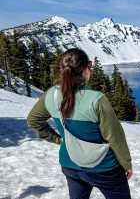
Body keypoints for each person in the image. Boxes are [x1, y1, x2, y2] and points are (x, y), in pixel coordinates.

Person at [27, 48, 132, 199]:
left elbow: (33, 120)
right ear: (84, 70)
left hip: (70, 165)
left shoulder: (51, 94)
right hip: (104, 168)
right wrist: (126, 164)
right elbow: (115, 137)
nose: (90, 68)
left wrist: (59, 140)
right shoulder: (96, 99)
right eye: (89, 65)